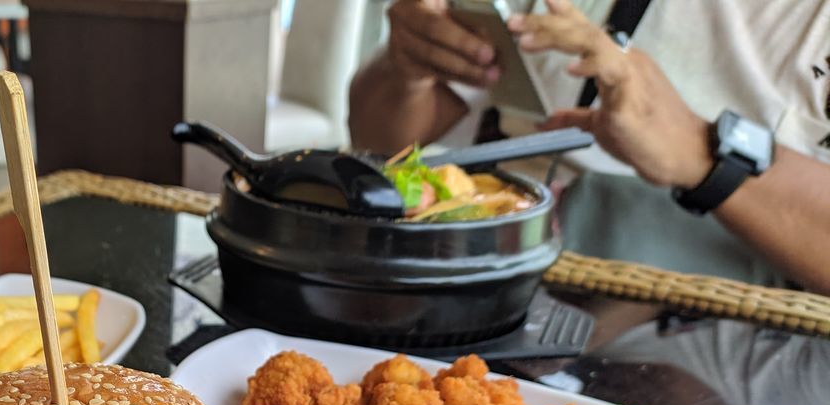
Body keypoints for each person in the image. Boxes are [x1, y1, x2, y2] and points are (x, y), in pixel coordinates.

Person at [348, 0, 830, 293]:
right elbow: (376, 138)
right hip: (478, 276)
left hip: (720, 343)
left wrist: (702, 155)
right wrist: (405, 68)